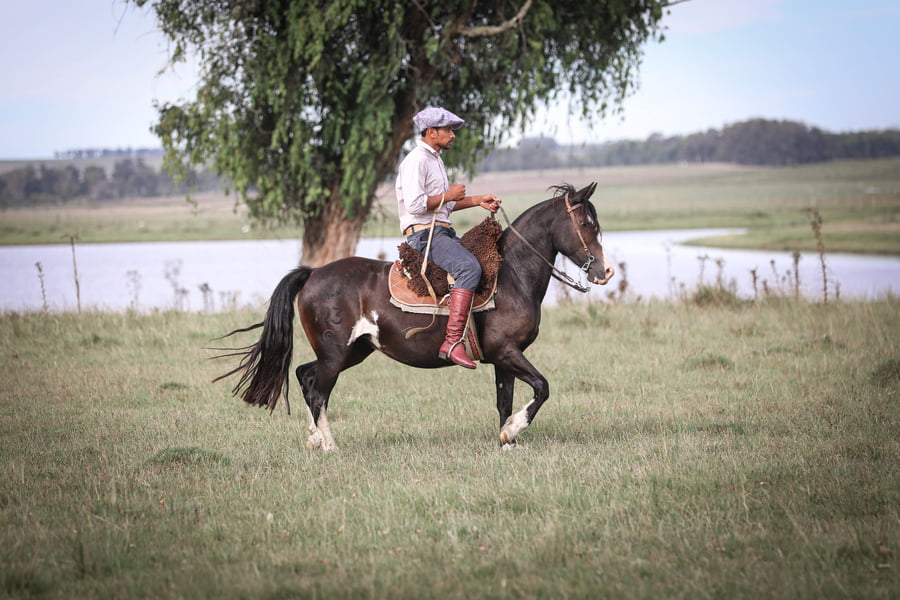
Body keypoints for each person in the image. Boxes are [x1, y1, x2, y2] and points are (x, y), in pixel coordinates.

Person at [395, 107, 502, 369]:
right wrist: (448, 196)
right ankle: (452, 342)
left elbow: (444, 206)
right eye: (448, 130)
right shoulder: (416, 161)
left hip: (441, 231)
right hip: (424, 235)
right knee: (468, 267)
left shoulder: (435, 159)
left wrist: (478, 200)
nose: (453, 135)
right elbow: (416, 205)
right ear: (431, 132)